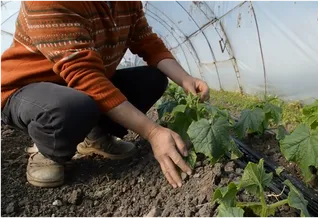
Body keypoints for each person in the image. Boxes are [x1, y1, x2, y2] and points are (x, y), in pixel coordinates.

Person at [0, 0, 210, 188]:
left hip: (79, 87)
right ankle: (46, 151)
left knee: (151, 80)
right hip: (25, 89)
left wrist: (185, 79)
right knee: (72, 106)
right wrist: (153, 132)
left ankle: (95, 137)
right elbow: (85, 76)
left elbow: (147, 42)